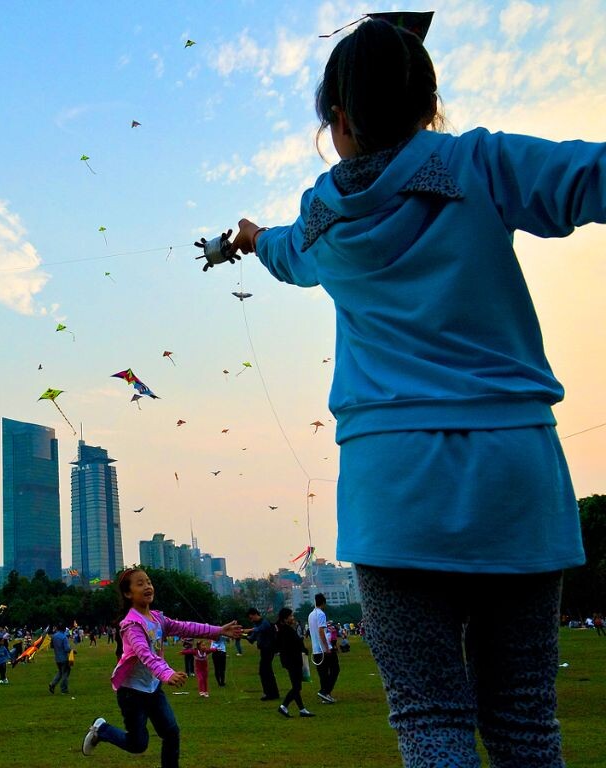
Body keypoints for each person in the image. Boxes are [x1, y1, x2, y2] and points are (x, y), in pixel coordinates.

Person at [212, 16, 596, 767]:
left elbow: (285, 255)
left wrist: (253, 239)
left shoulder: (321, 218)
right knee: (523, 721)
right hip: (514, 473)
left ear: (339, 121)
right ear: (429, 104)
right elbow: (591, 177)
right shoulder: (479, 164)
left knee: (429, 719)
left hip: (393, 492)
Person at [81, 568, 245, 767]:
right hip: (132, 693)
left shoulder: (157, 619)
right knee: (138, 744)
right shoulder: (131, 625)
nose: (147, 586)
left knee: (171, 732)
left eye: (148, 582)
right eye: (140, 584)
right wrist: (167, 673)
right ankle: (102, 729)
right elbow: (145, 655)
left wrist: (218, 630)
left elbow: (186, 627)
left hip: (152, 688)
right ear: (128, 593)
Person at [275, 608, 314, 719]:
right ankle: (283, 706)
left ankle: (302, 709)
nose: (293, 618)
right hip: (292, 661)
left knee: (296, 686)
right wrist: (301, 647)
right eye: (291, 616)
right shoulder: (285, 631)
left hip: (291, 661)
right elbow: (291, 645)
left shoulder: (284, 629)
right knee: (296, 687)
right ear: (285, 618)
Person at [308, 594, 339, 704]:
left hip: (316, 650)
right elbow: (321, 632)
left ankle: (326, 696)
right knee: (335, 669)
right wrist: (327, 648)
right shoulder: (321, 614)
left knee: (323, 674)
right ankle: (325, 691)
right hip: (323, 649)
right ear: (323, 603)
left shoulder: (311, 615)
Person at [246, 608, 279, 700]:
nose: (251, 620)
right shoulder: (256, 625)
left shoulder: (264, 622)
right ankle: (273, 693)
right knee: (267, 671)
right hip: (263, 651)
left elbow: (259, 629)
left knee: (264, 671)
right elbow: (252, 639)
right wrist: (242, 635)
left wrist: (249, 630)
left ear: (256, 614)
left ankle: (269, 693)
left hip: (269, 650)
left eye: (251, 618)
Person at [48, 623, 72, 694]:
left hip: (57, 658)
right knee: (65, 673)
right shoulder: (64, 637)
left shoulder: (54, 636)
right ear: (64, 629)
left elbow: (51, 646)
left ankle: (52, 684)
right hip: (64, 658)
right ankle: (64, 689)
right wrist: (72, 651)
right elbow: (67, 648)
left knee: (60, 672)